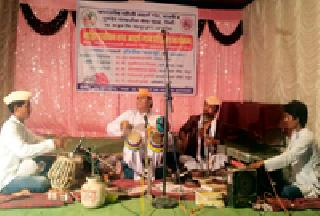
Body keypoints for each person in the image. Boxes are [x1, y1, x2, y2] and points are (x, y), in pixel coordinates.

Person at [249, 100, 320, 199]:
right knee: (266, 176)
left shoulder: (307, 137)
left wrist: (264, 163)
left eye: (288, 117)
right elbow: (286, 155)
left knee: (285, 192)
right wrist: (264, 163)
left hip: (307, 184)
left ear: (297, 119)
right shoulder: (295, 134)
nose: (285, 120)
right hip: (294, 181)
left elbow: (288, 157)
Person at [0, 91, 65, 194]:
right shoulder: (10, 128)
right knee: (43, 183)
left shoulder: (19, 126)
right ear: (17, 108)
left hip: (19, 171)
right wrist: (51, 144)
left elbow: (35, 139)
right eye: (27, 106)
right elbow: (23, 151)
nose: (30, 109)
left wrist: (53, 141)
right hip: (7, 180)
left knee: (48, 160)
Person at [107, 88, 161, 180]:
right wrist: (123, 128)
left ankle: (148, 176)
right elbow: (109, 128)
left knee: (156, 141)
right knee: (134, 140)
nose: (138, 101)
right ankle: (138, 174)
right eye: (137, 98)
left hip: (152, 159)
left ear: (150, 102)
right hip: (133, 158)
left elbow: (169, 138)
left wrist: (160, 134)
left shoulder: (157, 118)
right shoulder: (129, 115)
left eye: (142, 98)